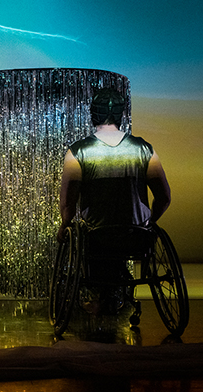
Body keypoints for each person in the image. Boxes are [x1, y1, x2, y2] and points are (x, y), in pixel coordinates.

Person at [58, 87, 171, 314]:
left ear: (93, 115)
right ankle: (114, 296)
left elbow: (68, 205)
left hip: (95, 240)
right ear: (121, 115)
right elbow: (164, 197)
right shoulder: (144, 149)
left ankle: (103, 296)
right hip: (136, 237)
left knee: (81, 235)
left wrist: (64, 226)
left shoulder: (77, 152)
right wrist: (149, 223)